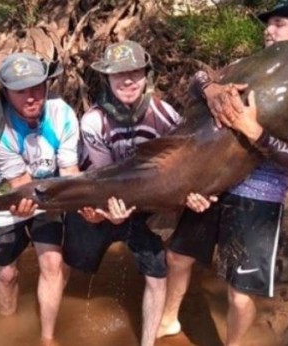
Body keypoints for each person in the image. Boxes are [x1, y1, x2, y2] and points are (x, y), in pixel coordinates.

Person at [159, 1, 288, 345]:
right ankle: (166, 322)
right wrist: (211, 89)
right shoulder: (246, 66)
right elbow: (198, 77)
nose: (269, 29)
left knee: (239, 291)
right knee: (177, 256)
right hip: (214, 181)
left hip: (259, 196)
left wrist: (255, 132)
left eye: (280, 24)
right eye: (269, 24)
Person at [63, 40, 182, 346]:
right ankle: (55, 330)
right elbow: (103, 181)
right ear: (107, 79)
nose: (128, 80)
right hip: (101, 200)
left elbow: (178, 168)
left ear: (147, 75)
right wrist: (102, 214)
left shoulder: (166, 117)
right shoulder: (93, 122)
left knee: (157, 275)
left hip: (147, 204)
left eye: (135, 72)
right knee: (68, 264)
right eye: (119, 74)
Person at [0, 52, 80, 341]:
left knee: (52, 263)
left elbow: (70, 171)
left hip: (50, 192)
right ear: (5, 91)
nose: (31, 96)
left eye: (37, 87)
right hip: (5, 197)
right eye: (21, 91)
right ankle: (7, 328)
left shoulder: (63, 114)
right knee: (7, 273)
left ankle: (47, 338)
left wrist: (84, 205)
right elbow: (21, 185)